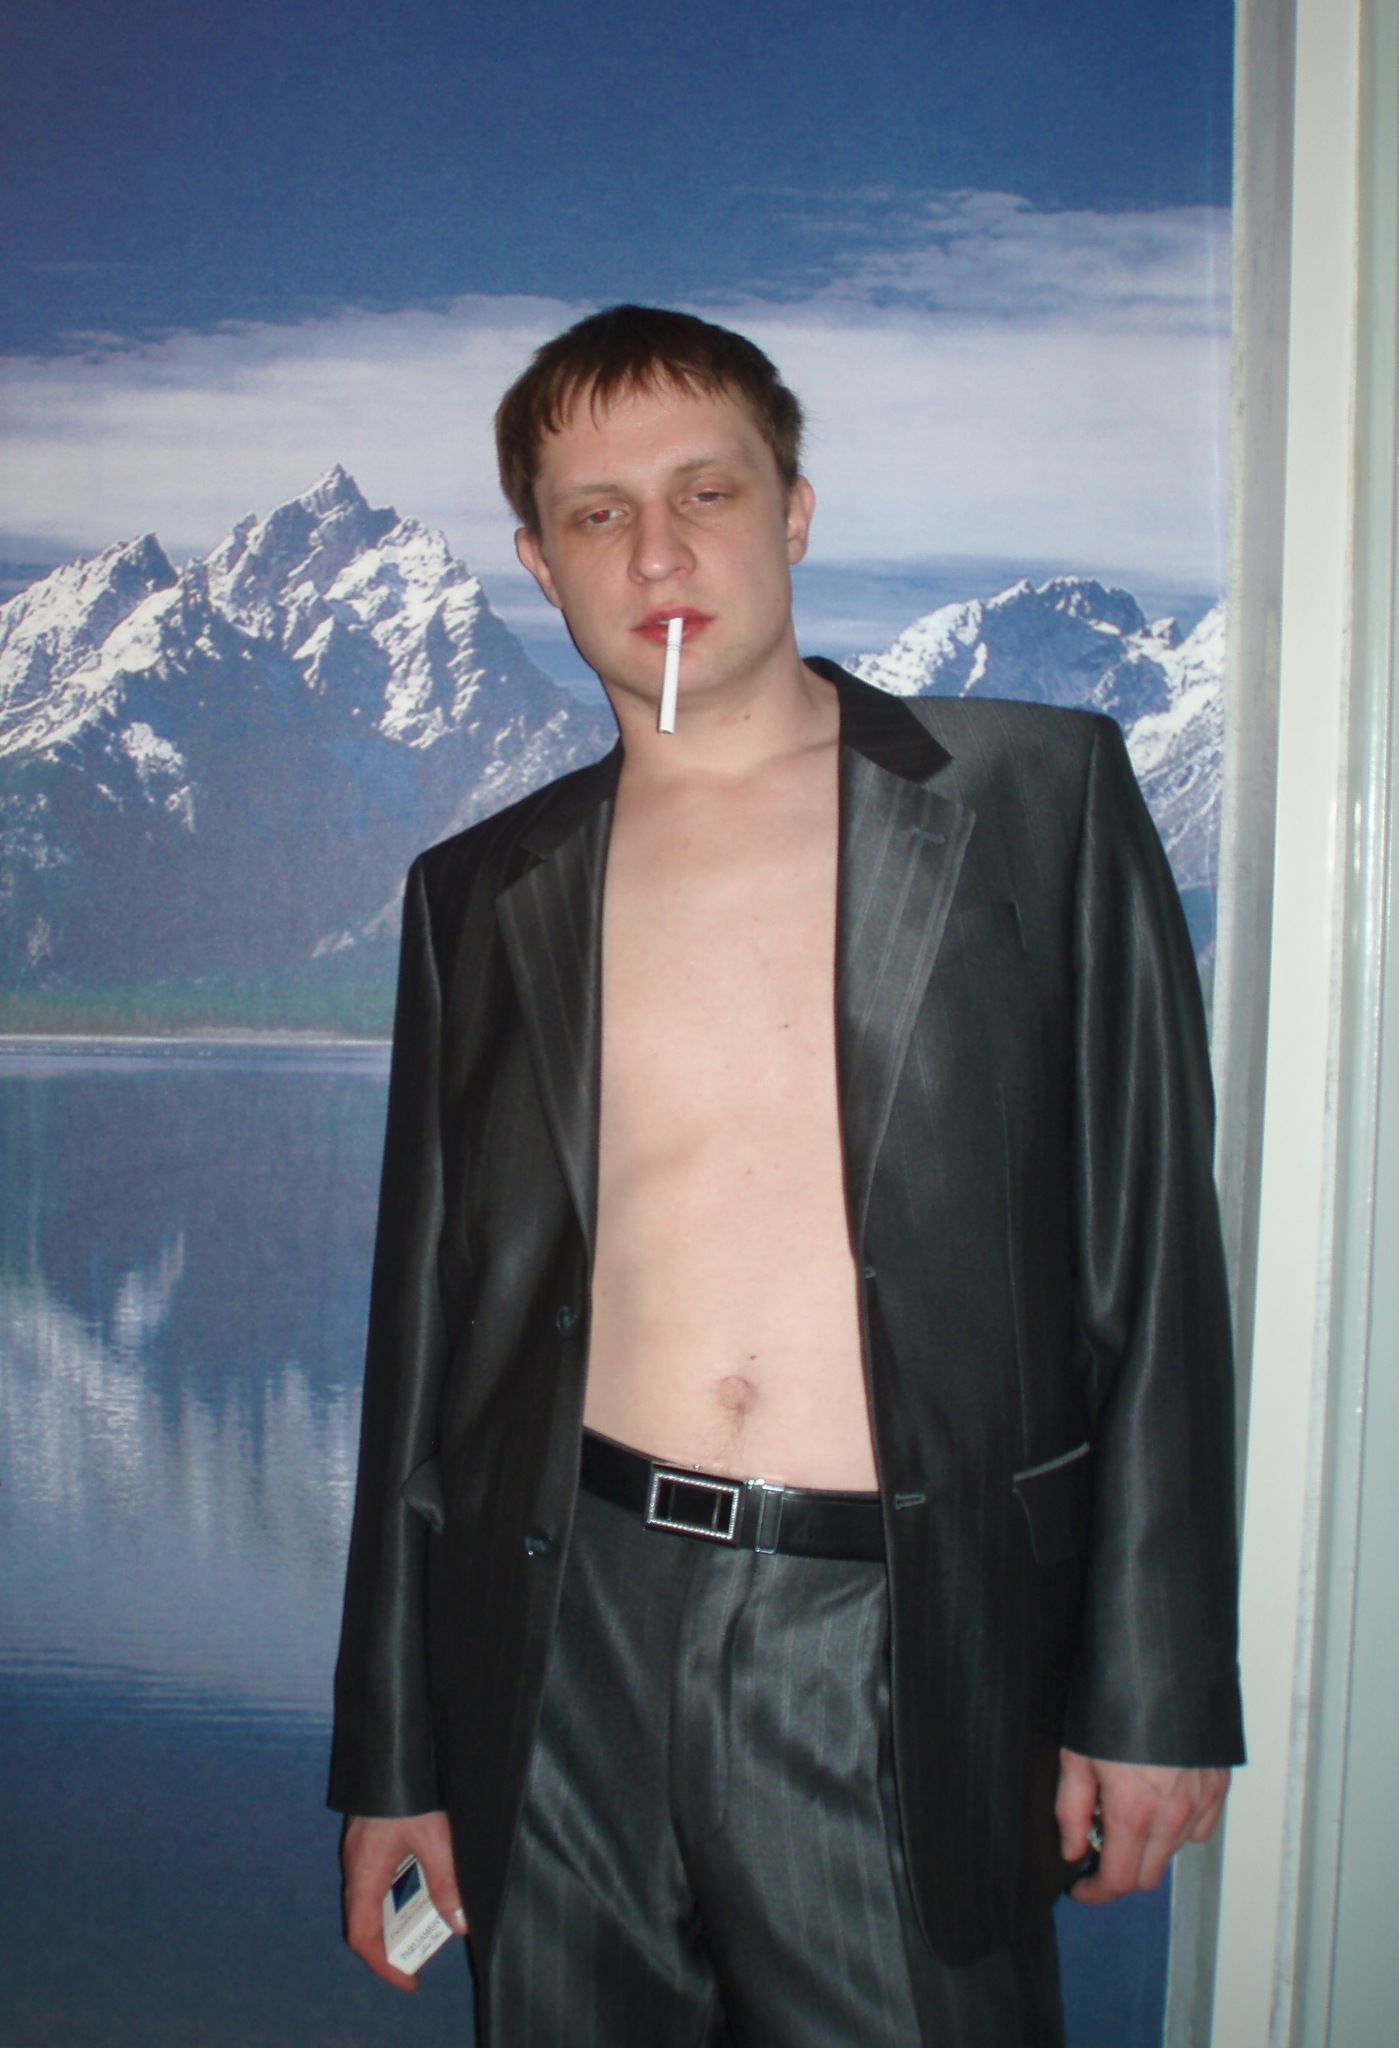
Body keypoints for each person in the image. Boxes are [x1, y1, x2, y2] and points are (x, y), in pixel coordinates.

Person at [329, 305, 1243, 2047]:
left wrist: (1154, 1687)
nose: (657, 552)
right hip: (561, 1635)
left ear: (795, 511)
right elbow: (426, 1347)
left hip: (894, 1642)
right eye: (598, 514)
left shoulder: (1034, 804)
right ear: (538, 562)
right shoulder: (483, 893)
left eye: (707, 492)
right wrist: (399, 1749)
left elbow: (1154, 1264)